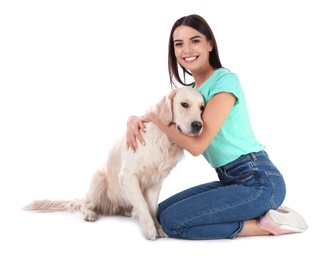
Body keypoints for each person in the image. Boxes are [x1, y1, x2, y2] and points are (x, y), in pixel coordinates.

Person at [125, 14, 308, 240]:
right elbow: (157, 115)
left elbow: (197, 145)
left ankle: (267, 225)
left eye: (195, 41)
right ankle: (255, 213)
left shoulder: (225, 81)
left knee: (174, 223)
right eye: (179, 44)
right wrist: (133, 120)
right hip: (230, 179)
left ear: (209, 44)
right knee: (161, 214)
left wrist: (157, 119)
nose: (187, 49)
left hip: (258, 179)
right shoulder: (190, 93)